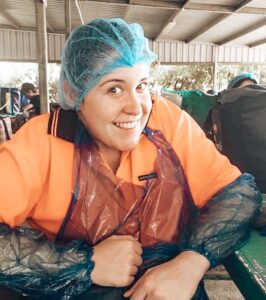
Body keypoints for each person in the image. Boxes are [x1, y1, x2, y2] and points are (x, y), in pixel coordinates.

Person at [0, 18, 261, 300]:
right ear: (76, 93)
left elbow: (237, 195)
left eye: (142, 86)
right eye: (114, 89)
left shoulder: (166, 122)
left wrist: (190, 264)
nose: (136, 107)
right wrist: (84, 264)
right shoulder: (44, 141)